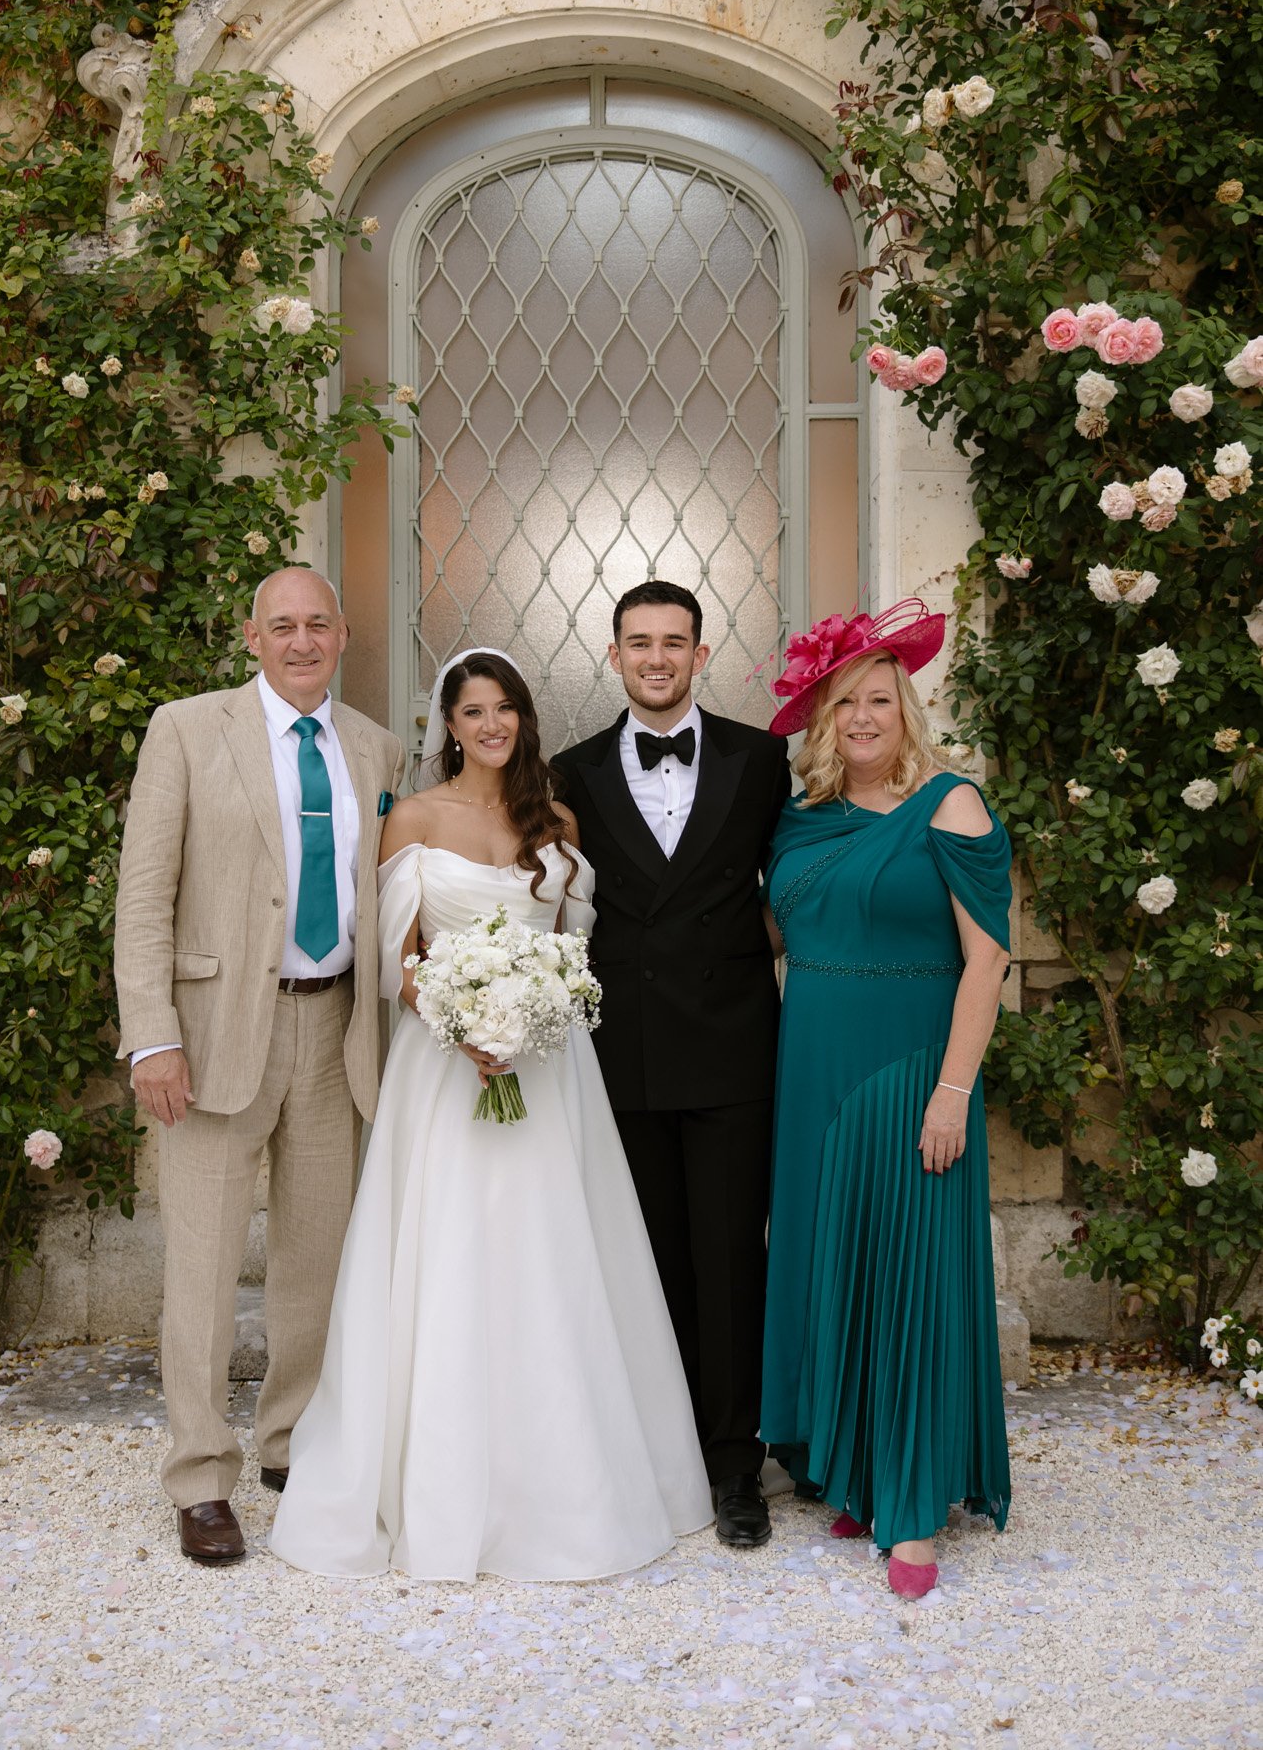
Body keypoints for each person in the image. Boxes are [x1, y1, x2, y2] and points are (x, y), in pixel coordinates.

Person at [271, 649, 712, 1580]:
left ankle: (574, 1478)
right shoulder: (414, 819)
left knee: (555, 1254)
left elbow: (573, 950)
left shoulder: (554, 819)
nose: (491, 725)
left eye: (505, 708)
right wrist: (466, 1023)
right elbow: (396, 961)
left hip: (551, 1071)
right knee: (453, 1252)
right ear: (449, 724)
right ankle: (437, 1485)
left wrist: (532, 1014)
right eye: (473, 711)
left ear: (523, 718)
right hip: (445, 1069)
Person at [113, 568, 405, 1565]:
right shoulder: (187, 730)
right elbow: (144, 894)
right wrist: (151, 1033)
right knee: (200, 1266)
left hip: (332, 1032)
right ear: (252, 636)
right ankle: (200, 1474)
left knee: (314, 1261)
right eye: (281, 624)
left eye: (318, 621)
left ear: (344, 632)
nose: (301, 639)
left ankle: (290, 1442)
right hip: (211, 1035)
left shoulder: (376, 748)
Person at [759, 600, 1013, 1600]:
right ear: (821, 719)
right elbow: (771, 938)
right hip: (811, 1065)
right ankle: (858, 1467)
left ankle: (911, 1509)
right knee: (838, 1265)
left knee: (909, 1271)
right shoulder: (799, 818)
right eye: (842, 701)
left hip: (911, 1066)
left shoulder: (952, 803)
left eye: (878, 697)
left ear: (905, 706)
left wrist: (952, 1089)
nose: (861, 715)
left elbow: (986, 957)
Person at [550, 584, 792, 1548]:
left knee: (733, 1259)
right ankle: (654, 1458)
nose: (656, 658)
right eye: (638, 643)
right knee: (644, 1261)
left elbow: (802, 881)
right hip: (621, 1053)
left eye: (674, 643)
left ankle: (736, 1465)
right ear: (612, 655)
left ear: (702, 654)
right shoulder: (566, 771)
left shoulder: (763, 759)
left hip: (734, 1048)